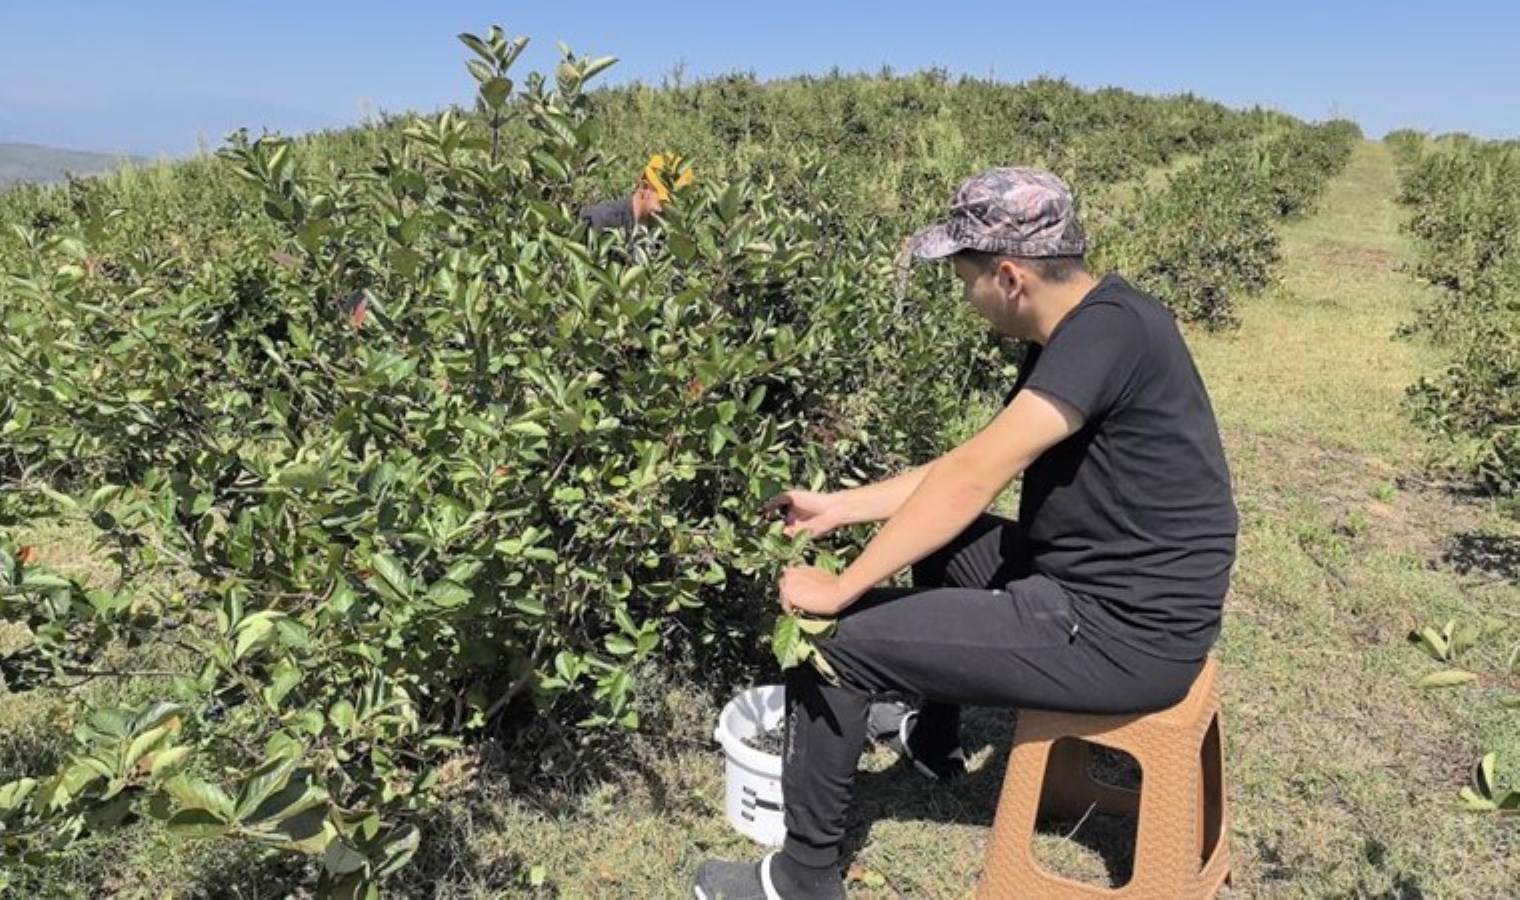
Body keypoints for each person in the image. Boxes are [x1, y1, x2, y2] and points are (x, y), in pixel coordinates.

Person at [692, 167, 1239, 899]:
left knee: (839, 644)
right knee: (949, 545)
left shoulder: (1101, 337)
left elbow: (970, 478)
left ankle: (801, 879)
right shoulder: (1103, 320)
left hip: (1119, 631)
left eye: (963, 277)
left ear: (1009, 276)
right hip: (1109, 593)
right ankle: (935, 740)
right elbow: (970, 462)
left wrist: (842, 589)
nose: (964, 297)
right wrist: (840, 506)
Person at [578, 152, 694, 234]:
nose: (668, 211)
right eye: (664, 202)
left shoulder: (665, 237)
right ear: (644, 187)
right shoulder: (602, 220)